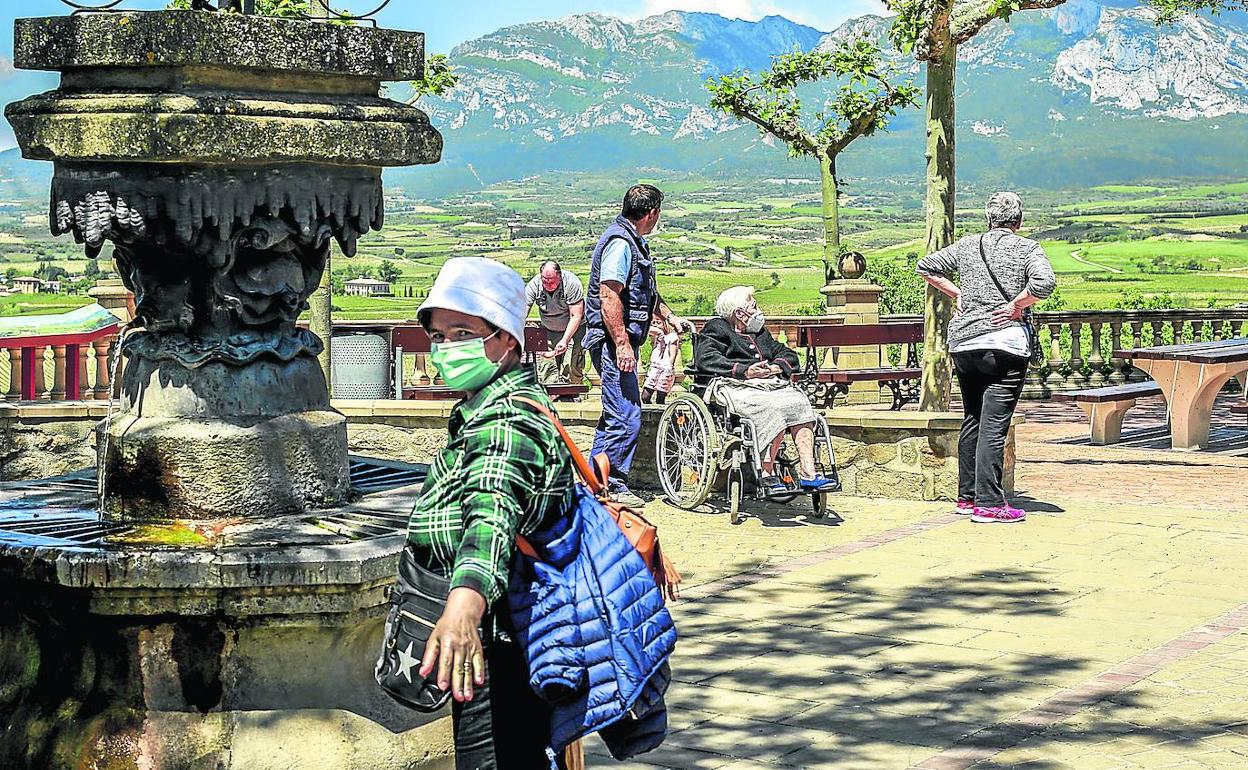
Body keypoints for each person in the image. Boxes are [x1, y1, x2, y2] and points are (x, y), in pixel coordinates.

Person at [406, 256, 576, 769]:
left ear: (506, 339)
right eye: (438, 336)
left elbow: (491, 512)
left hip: (499, 645)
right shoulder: (497, 403)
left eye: (462, 332)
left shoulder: (504, 418)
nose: (446, 349)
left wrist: (464, 605)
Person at [917, 191, 1056, 525]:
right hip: (1004, 346)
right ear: (1019, 221)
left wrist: (957, 293)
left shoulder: (968, 245)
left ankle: (966, 498)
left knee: (973, 419)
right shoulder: (1027, 248)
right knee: (994, 425)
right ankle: (990, 504)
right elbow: (1045, 282)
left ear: (989, 218)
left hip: (964, 344)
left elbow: (926, 266)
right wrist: (1017, 306)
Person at [583, 184, 693, 507]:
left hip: (619, 340)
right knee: (627, 416)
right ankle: (614, 485)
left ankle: (595, 483)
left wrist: (670, 317)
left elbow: (645, 293)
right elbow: (609, 295)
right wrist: (621, 344)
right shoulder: (620, 245)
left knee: (613, 415)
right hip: (611, 342)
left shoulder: (635, 243)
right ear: (652, 213)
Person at [695, 286, 839, 494]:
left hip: (767, 384)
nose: (758, 309)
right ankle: (766, 472)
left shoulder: (759, 332)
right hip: (733, 385)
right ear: (739, 313)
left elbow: (786, 353)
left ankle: (809, 473)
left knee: (799, 403)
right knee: (773, 408)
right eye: (753, 306)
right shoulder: (717, 328)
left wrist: (776, 367)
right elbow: (706, 358)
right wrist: (745, 371)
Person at [525, 260, 586, 386]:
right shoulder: (534, 285)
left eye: (552, 281)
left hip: (575, 329)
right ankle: (551, 398)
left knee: (572, 366)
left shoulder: (571, 283)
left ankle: (572, 395)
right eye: (545, 280)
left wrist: (565, 340)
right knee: (547, 367)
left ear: (560, 276)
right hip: (548, 329)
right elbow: (522, 311)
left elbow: (576, 316)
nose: (548, 284)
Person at [642, 318, 681, 405]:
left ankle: (659, 414)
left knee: (660, 397)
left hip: (665, 369)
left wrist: (670, 366)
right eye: (654, 323)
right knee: (645, 396)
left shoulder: (672, 337)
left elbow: (673, 354)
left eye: (658, 323)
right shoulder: (656, 336)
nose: (655, 325)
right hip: (655, 368)